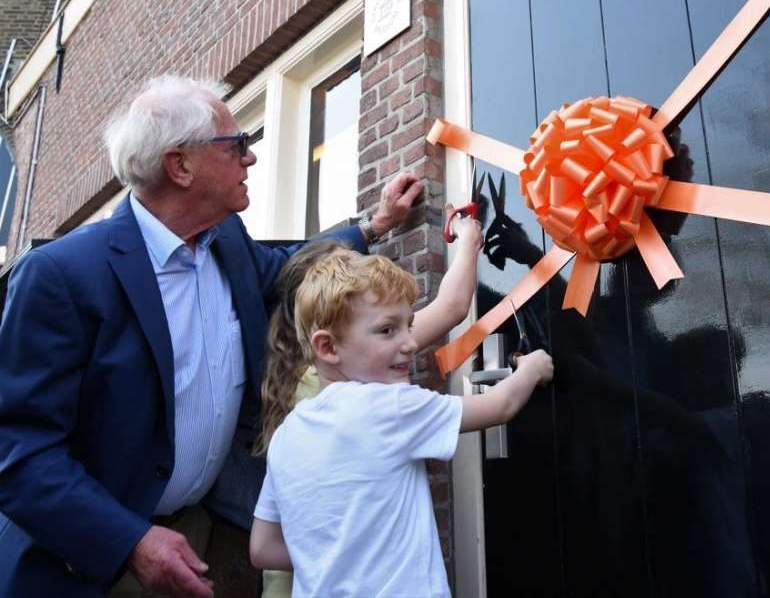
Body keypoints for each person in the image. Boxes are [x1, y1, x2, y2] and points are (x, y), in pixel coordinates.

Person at [0, 75, 421, 597]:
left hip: (199, 535)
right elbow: (19, 451)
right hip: (86, 561)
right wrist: (129, 541)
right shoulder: (62, 275)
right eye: (237, 145)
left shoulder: (225, 241)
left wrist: (373, 226)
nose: (251, 157)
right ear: (180, 166)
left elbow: (286, 269)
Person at [248, 249, 554, 597]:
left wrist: (336, 555)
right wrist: (532, 368)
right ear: (328, 347)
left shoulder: (285, 437)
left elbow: (262, 548)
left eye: (408, 325)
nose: (409, 343)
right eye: (387, 330)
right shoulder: (388, 406)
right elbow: (501, 405)